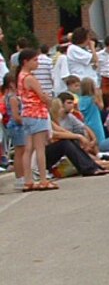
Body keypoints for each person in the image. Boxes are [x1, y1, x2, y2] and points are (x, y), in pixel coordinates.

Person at [17, 49, 57, 191]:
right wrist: (48, 100)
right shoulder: (30, 78)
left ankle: (28, 180)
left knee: (28, 148)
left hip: (27, 114)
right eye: (35, 60)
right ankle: (43, 179)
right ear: (25, 61)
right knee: (40, 148)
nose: (37, 63)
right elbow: (42, 96)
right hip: (37, 113)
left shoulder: (20, 76)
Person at [4, 72, 28, 190]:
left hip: (18, 126)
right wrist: (26, 121)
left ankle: (23, 175)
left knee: (22, 151)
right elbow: (15, 116)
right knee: (20, 152)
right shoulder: (12, 98)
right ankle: (20, 177)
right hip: (16, 127)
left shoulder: (14, 96)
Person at [78, 77, 108, 155]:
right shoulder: (93, 99)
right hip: (95, 122)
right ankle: (101, 154)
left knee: (90, 139)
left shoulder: (80, 99)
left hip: (86, 122)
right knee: (100, 140)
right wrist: (99, 96)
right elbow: (101, 107)